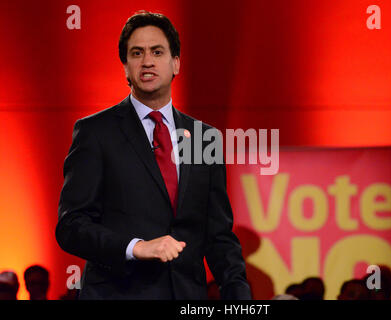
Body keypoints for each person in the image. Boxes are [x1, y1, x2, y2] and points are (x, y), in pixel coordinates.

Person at [55, 11, 251, 300]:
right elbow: (71, 227)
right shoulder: (95, 132)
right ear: (125, 68)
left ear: (176, 64)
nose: (147, 61)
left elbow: (218, 235)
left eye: (157, 52)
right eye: (137, 53)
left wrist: (239, 297)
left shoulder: (204, 138)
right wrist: (136, 247)